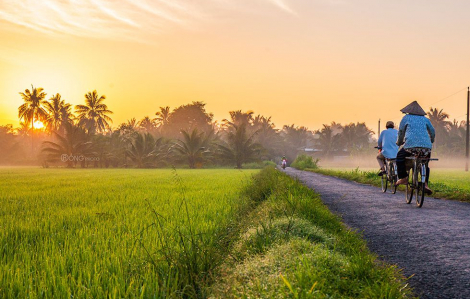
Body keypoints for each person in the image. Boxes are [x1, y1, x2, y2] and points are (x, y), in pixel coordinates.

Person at [395, 101, 435, 194]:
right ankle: (425, 184)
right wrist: (431, 141)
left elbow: (401, 132)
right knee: (425, 163)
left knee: (399, 157)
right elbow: (432, 131)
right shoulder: (426, 119)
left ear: (408, 111)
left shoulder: (406, 118)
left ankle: (403, 178)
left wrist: (399, 142)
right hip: (426, 148)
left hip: (410, 146)